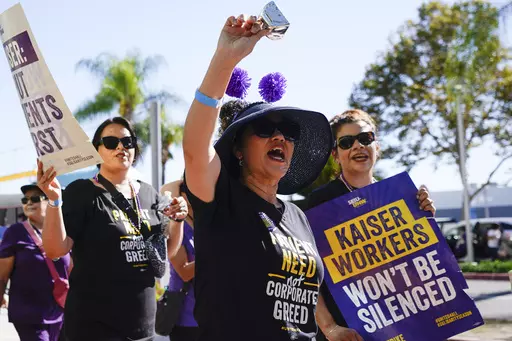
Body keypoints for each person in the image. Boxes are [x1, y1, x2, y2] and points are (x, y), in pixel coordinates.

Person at [182, 13, 360, 341]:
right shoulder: (220, 199)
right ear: (238, 149)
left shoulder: (297, 216)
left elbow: (302, 283)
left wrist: (330, 328)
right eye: (264, 129)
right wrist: (226, 59)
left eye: (288, 131)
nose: (279, 138)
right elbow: (194, 148)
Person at [37, 116, 187, 341]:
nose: (120, 147)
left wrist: (178, 220)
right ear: (97, 150)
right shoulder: (82, 192)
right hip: (94, 327)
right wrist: (54, 201)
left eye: (127, 142)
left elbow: (166, 254)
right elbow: (55, 250)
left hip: (142, 326)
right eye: (110, 142)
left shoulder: (149, 194)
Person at [307, 109, 436, 341]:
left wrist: (425, 220)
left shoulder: (399, 197)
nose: (358, 146)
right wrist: (329, 328)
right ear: (335, 154)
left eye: (365, 138)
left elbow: (421, 267)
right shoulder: (318, 204)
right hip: (347, 333)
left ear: (376, 146)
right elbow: (308, 274)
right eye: (347, 142)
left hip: (401, 326)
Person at [0, 183, 71, 341]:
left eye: (34, 199)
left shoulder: (65, 232)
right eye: (25, 200)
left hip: (62, 311)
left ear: (50, 200)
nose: (29, 203)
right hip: (29, 314)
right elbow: (2, 275)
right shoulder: (15, 232)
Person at [160, 180, 198, 341]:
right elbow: (184, 272)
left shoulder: (204, 225)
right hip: (185, 317)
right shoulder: (177, 227)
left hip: (209, 314)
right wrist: (217, 255)